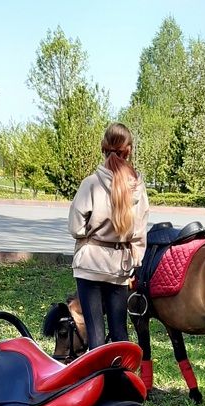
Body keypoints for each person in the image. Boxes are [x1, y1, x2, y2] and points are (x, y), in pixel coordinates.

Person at [68, 123, 149, 350]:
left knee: (95, 332)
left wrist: (91, 234)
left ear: (103, 148)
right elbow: (140, 232)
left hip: (90, 262)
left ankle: (98, 382)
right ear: (129, 150)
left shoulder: (91, 183)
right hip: (119, 265)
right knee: (119, 331)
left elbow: (75, 227)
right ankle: (121, 380)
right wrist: (134, 258)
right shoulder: (137, 188)